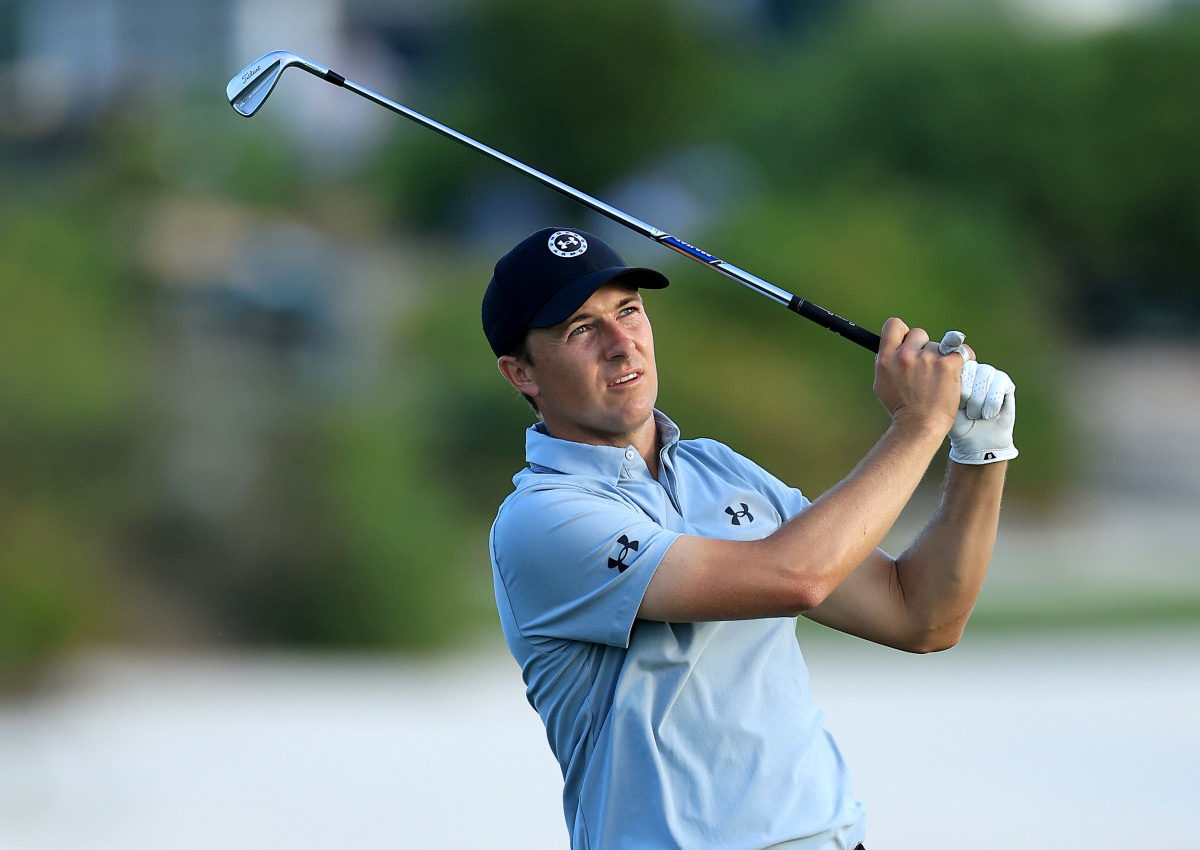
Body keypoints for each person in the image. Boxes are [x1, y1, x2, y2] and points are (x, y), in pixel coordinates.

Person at [481, 226, 1016, 850]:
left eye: (629, 311)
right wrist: (919, 423)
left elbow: (920, 616)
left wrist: (981, 449)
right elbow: (798, 579)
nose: (622, 344)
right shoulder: (542, 518)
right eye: (581, 329)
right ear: (521, 372)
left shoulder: (721, 468)